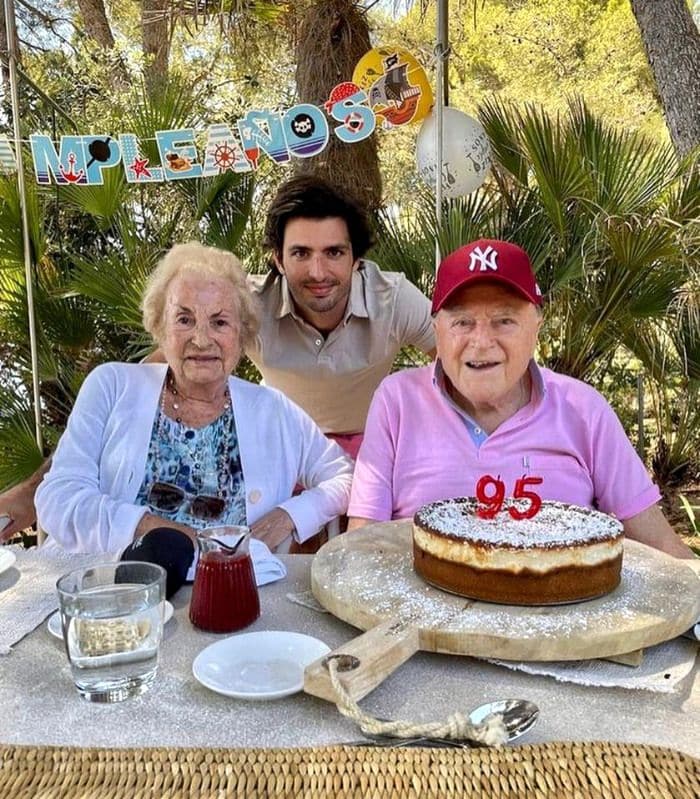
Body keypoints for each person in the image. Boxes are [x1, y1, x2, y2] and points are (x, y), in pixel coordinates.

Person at [1, 176, 435, 542]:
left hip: (363, 452)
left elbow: (457, 363)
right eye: (301, 253)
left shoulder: (393, 300)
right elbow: (150, 375)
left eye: (334, 253)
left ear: (357, 259)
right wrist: (33, 489)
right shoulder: (244, 303)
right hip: (284, 451)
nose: (318, 272)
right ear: (277, 261)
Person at [347, 238, 694, 559]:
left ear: (536, 327)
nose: (481, 341)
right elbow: (364, 547)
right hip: (422, 619)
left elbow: (662, 547)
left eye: (504, 320)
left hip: (559, 617)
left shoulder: (584, 410)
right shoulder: (398, 401)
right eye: (463, 322)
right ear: (437, 329)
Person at [35, 242, 353, 573]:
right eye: (184, 320)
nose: (201, 340)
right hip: (117, 588)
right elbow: (59, 497)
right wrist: (152, 529)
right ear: (160, 327)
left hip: (233, 592)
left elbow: (342, 475)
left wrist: (289, 516)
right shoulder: (113, 385)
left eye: (220, 323)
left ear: (241, 334)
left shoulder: (272, 410)